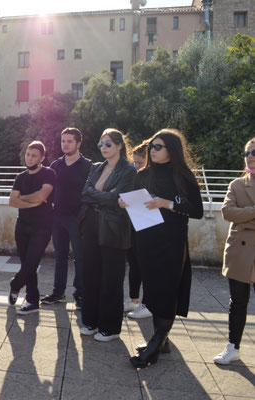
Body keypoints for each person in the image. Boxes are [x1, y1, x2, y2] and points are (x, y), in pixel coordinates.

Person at [122, 129, 203, 368]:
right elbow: (134, 202)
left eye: (158, 147)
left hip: (172, 242)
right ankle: (162, 340)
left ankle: (156, 342)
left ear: (172, 150)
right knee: (155, 291)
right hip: (146, 241)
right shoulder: (142, 174)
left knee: (167, 290)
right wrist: (124, 202)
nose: (152, 151)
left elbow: (196, 210)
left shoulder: (183, 175)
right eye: (151, 147)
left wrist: (166, 203)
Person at [79, 129, 136, 342]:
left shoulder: (128, 170)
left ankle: (110, 327)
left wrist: (102, 197)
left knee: (111, 277)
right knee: (90, 274)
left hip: (114, 226)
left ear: (120, 146)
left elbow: (119, 198)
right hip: (92, 223)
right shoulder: (96, 167)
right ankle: (91, 321)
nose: (103, 147)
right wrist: (107, 197)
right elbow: (85, 194)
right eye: (101, 143)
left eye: (108, 144)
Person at [213, 138, 255, 364]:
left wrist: (246, 218)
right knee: (238, 301)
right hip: (241, 251)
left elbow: (238, 215)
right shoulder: (237, 184)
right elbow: (228, 212)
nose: (250, 156)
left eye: (254, 152)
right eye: (247, 152)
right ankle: (233, 347)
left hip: (244, 238)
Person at [41, 127, 92, 309]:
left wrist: (83, 216)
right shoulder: (55, 165)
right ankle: (58, 293)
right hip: (58, 218)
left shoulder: (88, 167)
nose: (65, 144)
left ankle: (80, 295)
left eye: (69, 141)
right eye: (63, 141)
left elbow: (92, 195)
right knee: (60, 256)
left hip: (79, 219)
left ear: (78, 143)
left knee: (80, 257)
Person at [8, 141, 56, 315]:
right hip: (22, 226)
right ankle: (33, 300)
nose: (30, 158)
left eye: (34, 155)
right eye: (28, 154)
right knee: (27, 264)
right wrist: (33, 201)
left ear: (42, 157)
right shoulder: (20, 177)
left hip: (42, 227)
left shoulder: (49, 174)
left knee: (31, 263)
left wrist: (24, 199)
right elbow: (12, 201)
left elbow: (43, 195)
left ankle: (15, 285)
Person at [124, 141, 153, 319]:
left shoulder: (154, 178)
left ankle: (147, 304)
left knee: (146, 265)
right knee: (133, 264)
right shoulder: (136, 176)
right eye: (134, 162)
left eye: (140, 163)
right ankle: (133, 300)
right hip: (133, 224)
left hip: (148, 226)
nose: (136, 166)